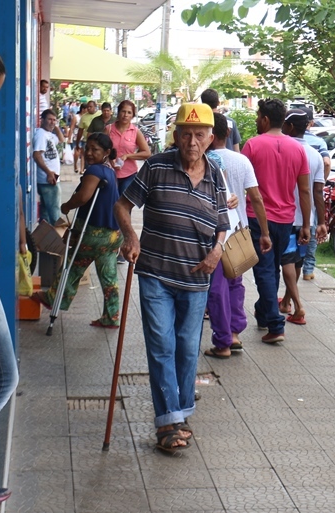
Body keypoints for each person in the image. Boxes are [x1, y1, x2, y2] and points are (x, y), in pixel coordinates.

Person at [113, 103, 230, 454]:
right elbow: (123, 205)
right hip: (156, 273)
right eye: (185, 134)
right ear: (175, 135)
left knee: (186, 347)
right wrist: (130, 237)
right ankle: (168, 422)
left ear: (210, 138)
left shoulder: (215, 176)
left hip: (197, 278)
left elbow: (222, 224)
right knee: (162, 344)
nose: (192, 142)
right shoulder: (156, 167)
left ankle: (180, 413)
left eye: (199, 135)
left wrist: (218, 250)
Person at [31, 133, 124, 328]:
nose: (89, 153)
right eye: (87, 148)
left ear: (106, 152)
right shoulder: (109, 171)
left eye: (95, 150)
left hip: (92, 234)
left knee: (72, 267)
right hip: (112, 234)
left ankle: (53, 298)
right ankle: (112, 315)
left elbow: (83, 197)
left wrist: (66, 207)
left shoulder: (95, 171)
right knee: (108, 275)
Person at [242, 98, 311, 344]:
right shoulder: (297, 149)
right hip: (286, 219)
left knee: (264, 270)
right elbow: (304, 190)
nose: (257, 120)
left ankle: (275, 322)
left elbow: (242, 185)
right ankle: (264, 311)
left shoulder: (252, 146)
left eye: (258, 116)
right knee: (271, 268)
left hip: (257, 218)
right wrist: (305, 224)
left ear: (266, 119)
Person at [203, 113, 271, 359]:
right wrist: (263, 232)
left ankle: (222, 343)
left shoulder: (203, 160)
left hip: (213, 233)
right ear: (228, 134)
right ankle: (234, 334)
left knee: (217, 287)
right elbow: (256, 197)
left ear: (209, 135)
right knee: (235, 282)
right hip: (238, 231)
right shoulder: (242, 161)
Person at [277, 109, 327, 325]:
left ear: (288, 127)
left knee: (287, 260)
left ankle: (298, 306)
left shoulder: (285, 150)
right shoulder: (315, 154)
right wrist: (321, 221)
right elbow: (317, 192)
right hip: (307, 218)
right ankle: (287, 301)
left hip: (287, 215)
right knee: (297, 260)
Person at [297, 105, 332, 281]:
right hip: (311, 194)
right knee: (310, 227)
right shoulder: (318, 143)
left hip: (289, 200)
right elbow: (326, 163)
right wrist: (321, 179)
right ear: (310, 123)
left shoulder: (287, 143)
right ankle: (308, 269)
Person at [108, 100, 151, 196]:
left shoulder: (136, 132)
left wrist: (128, 156)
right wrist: (110, 159)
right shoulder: (109, 129)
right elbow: (101, 150)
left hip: (129, 175)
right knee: (110, 204)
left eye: (129, 112)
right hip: (110, 173)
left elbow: (147, 153)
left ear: (133, 115)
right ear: (118, 112)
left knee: (123, 205)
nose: (125, 115)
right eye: (123, 111)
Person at [33, 109, 65, 225]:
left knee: (46, 214)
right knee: (54, 213)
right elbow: (36, 155)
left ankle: (44, 240)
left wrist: (55, 127)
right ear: (42, 120)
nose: (52, 122)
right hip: (49, 180)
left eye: (54, 120)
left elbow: (61, 140)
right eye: (49, 120)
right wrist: (49, 172)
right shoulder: (41, 135)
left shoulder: (49, 135)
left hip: (51, 178)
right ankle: (56, 239)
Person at [74, 101, 100, 168]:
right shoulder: (84, 117)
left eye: (90, 107)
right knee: (89, 160)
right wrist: (77, 143)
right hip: (87, 141)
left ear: (95, 107)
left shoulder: (100, 114)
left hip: (99, 142)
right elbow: (80, 131)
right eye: (87, 107)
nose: (88, 108)